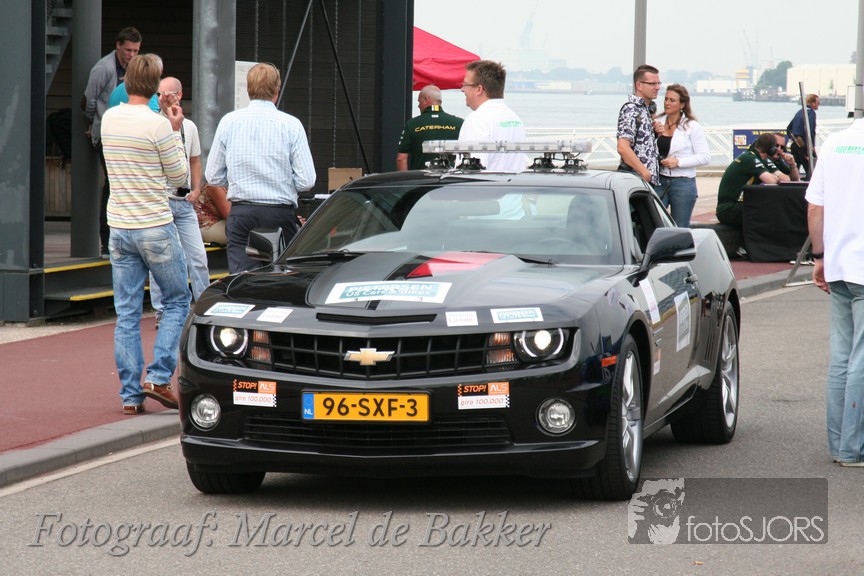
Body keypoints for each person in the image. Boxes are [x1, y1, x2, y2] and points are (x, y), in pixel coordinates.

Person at [100, 54, 189, 415]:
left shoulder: (109, 118)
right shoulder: (158, 126)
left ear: (127, 81)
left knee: (127, 312)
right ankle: (159, 376)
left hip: (119, 226)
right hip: (154, 225)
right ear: (155, 86)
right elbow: (180, 177)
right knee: (178, 300)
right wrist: (175, 129)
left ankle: (130, 395)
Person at [205, 62, 316, 273]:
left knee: (242, 279)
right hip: (278, 213)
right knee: (280, 277)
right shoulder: (291, 125)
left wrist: (237, 179)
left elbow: (213, 176)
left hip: (242, 212)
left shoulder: (229, 122)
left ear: (248, 89)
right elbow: (306, 181)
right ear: (277, 89)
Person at [806, 116, 864, 466]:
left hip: (840, 262)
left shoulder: (834, 143)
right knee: (860, 357)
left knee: (842, 356)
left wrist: (819, 257)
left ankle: (839, 443)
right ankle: (853, 447)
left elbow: (815, 207)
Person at [149, 77, 210, 328]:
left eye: (168, 94)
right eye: (159, 94)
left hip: (184, 200)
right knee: (160, 255)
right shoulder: (154, 123)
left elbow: (195, 160)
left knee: (198, 256)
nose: (163, 99)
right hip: (161, 200)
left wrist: (196, 188)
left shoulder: (190, 127)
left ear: (179, 95)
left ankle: (204, 307)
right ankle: (161, 311)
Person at [82, 26, 142, 255]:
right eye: (128, 50)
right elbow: (88, 99)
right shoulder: (104, 68)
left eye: (136, 51)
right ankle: (107, 239)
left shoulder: (133, 66)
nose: (132, 55)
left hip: (127, 132)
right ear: (118, 46)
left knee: (122, 183)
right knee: (114, 183)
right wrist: (94, 122)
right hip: (107, 133)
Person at [652, 84, 710, 227]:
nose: (667, 103)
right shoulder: (657, 122)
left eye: (672, 100)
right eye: (666, 99)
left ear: (682, 104)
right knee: (652, 222)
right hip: (659, 180)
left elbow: (705, 157)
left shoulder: (692, 126)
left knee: (680, 228)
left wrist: (678, 162)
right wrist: (654, 134)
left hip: (683, 184)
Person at [458, 60, 526, 172]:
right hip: (513, 182)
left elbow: (473, 167)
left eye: (465, 85)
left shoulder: (477, 119)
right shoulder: (515, 119)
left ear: (479, 89)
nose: (462, 89)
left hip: (487, 183)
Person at [716, 133, 789, 233]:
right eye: (776, 147)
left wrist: (782, 171)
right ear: (772, 149)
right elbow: (771, 181)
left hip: (733, 207)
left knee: (772, 208)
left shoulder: (759, 158)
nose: (779, 150)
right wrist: (775, 177)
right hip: (728, 209)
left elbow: (786, 179)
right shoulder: (750, 158)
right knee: (769, 213)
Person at [396, 85, 463, 170]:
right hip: (449, 176)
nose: (418, 106)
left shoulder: (412, 124)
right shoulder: (458, 123)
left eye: (419, 102)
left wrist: (405, 178)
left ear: (426, 100)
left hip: (421, 177)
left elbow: (401, 158)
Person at [617, 64, 661, 187]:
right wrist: (644, 172)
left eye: (658, 83)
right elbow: (622, 147)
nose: (657, 87)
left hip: (646, 182)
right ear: (639, 85)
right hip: (636, 182)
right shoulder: (632, 109)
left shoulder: (646, 110)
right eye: (652, 84)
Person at [788, 93, 820, 179]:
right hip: (804, 146)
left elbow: (789, 128)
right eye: (818, 103)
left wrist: (793, 138)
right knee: (812, 169)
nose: (819, 105)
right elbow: (810, 130)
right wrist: (811, 146)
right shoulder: (811, 113)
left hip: (795, 144)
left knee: (794, 168)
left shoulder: (799, 112)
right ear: (813, 103)